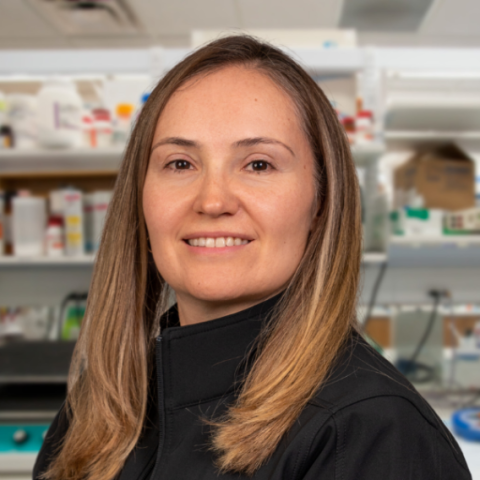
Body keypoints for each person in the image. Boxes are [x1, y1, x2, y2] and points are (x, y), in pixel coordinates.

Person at [34, 36, 471, 480]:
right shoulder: (96, 409)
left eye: (259, 164)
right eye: (180, 164)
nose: (212, 201)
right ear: (140, 198)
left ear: (321, 203)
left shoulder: (370, 433)